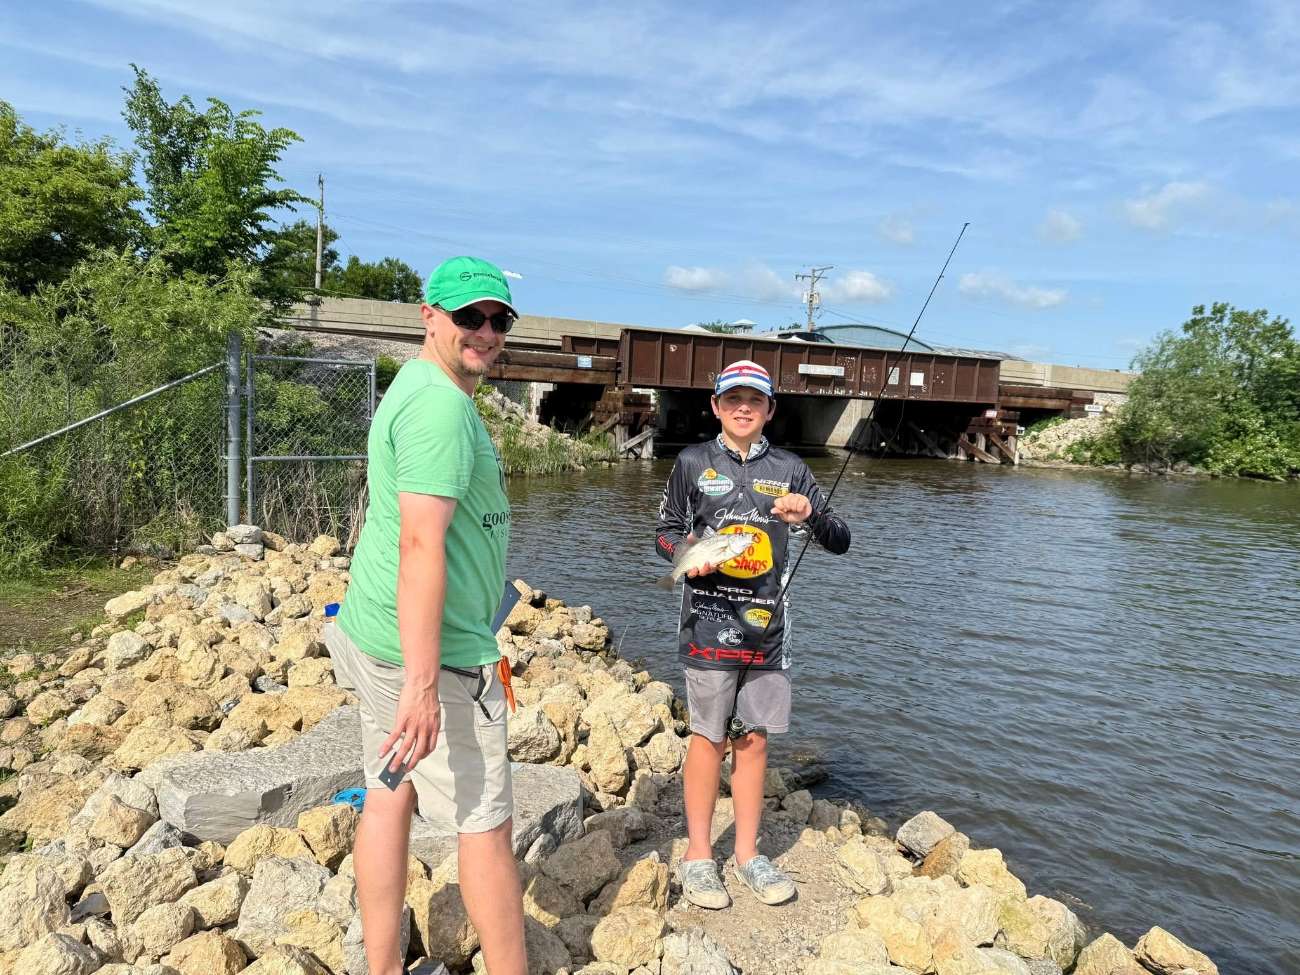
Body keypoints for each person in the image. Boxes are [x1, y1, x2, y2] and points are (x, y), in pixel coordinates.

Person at [325, 256, 526, 975]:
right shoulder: (441, 406)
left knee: (387, 791)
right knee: (485, 827)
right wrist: (421, 683)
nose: (486, 331)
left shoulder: (418, 385)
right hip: (437, 660)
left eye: (499, 319)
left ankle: (381, 967)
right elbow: (420, 541)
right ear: (430, 316)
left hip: (372, 631)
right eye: (469, 316)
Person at [654, 359, 851, 909]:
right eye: (733, 398)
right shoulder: (693, 462)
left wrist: (809, 513)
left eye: (756, 400)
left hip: (768, 632)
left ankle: (746, 855)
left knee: (755, 739)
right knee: (708, 738)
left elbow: (841, 538)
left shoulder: (791, 469)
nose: (744, 408)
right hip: (707, 628)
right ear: (716, 406)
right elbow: (665, 531)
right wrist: (684, 557)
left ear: (770, 410)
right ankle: (698, 854)